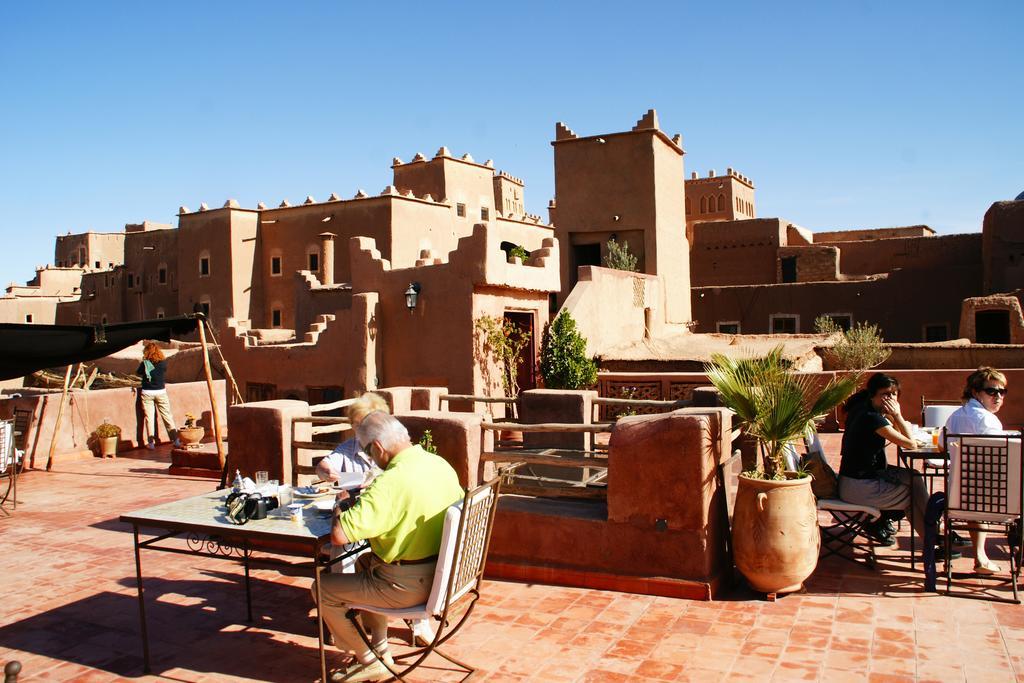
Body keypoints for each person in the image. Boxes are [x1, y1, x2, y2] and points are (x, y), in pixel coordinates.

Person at [314, 412, 463, 683]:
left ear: (378, 447)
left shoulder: (389, 483)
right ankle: (380, 648)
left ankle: (369, 659)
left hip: (407, 586)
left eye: (369, 453)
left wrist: (340, 503)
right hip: (446, 574)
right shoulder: (439, 464)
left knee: (321, 588)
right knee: (363, 563)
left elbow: (339, 535)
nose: (371, 459)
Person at [838, 373, 931, 546]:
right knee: (912, 497)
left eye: (894, 394)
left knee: (914, 477)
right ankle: (931, 541)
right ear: (873, 394)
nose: (891, 398)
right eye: (885, 394)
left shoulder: (864, 407)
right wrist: (898, 415)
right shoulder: (872, 418)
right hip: (859, 486)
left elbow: (898, 432)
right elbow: (911, 444)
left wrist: (893, 417)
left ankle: (933, 527)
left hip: (857, 478)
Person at [944, 367, 1013, 574]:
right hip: (997, 498)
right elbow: (1004, 460)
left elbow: (942, 447)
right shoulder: (987, 420)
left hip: (960, 495)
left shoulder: (955, 416)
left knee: (975, 485)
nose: (998, 396)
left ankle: (980, 555)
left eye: (1002, 392)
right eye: (991, 391)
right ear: (975, 392)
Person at [316, 392, 389, 484]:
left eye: (367, 423)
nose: (362, 429)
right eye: (357, 424)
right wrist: (325, 472)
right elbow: (323, 466)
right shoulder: (348, 448)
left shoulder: (391, 448)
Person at [137, 342, 178, 450]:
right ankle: (176, 440)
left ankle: (151, 443)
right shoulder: (163, 363)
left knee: (149, 419)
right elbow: (162, 371)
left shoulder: (145, 363)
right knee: (167, 416)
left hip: (147, 393)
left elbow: (139, 372)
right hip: (161, 392)